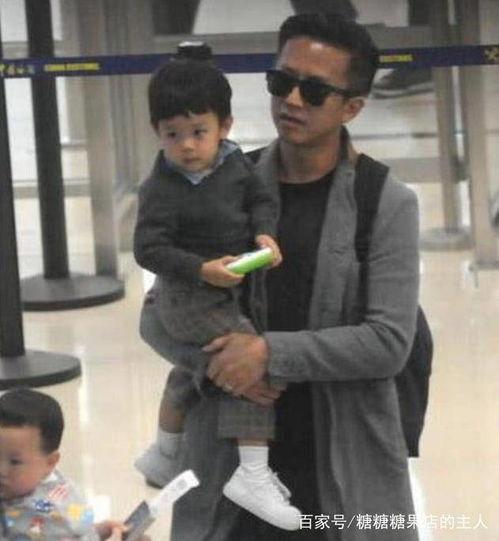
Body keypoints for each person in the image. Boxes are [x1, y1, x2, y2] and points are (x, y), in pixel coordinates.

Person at [139, 12, 420, 541]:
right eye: (281, 81)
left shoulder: (385, 202)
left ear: (352, 107)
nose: (291, 100)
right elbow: (155, 318)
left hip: (341, 468)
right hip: (227, 470)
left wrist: (266, 354)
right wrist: (220, 363)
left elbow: (387, 342)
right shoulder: (216, 184)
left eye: (313, 90)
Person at [132, 59, 306, 531]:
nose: (187, 146)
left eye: (198, 132)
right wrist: (200, 270)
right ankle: (252, 474)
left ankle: (164, 452)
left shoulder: (235, 165)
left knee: (196, 365)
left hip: (225, 287)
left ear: (224, 127)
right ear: (156, 131)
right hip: (190, 295)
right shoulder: (161, 188)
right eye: (173, 135)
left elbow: (260, 200)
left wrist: (265, 234)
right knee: (246, 360)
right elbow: (147, 249)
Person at [0, 388, 149, 541]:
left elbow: (63, 530)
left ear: (50, 463)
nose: (2, 470)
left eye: (15, 462)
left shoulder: (54, 486)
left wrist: (98, 531)